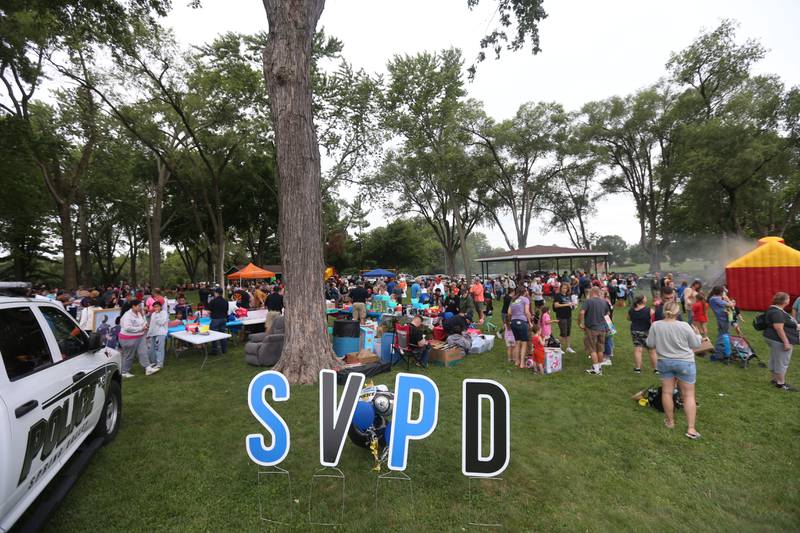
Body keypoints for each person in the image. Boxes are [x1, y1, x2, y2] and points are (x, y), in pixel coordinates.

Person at [645, 301, 702, 439]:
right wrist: (698, 335)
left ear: (664, 311)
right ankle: (691, 428)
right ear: (677, 312)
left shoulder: (656, 325)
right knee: (688, 395)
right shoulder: (684, 326)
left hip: (665, 362)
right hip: (685, 362)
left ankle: (670, 422)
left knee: (667, 392)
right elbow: (696, 344)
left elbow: (649, 344)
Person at [763, 292, 797, 391]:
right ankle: (781, 384)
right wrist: (786, 342)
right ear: (784, 301)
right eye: (788, 298)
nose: (789, 300)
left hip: (771, 337)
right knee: (782, 361)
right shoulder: (777, 312)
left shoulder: (774, 309)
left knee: (775, 358)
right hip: (778, 339)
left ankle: (774, 379)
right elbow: (778, 328)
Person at [118, 300, 154, 378]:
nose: (140, 307)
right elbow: (127, 328)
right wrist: (141, 328)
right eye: (138, 306)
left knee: (143, 352)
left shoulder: (139, 313)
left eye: (140, 306)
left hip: (140, 336)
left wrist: (145, 325)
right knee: (129, 355)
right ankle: (124, 372)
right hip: (128, 338)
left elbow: (143, 321)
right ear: (133, 306)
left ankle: (148, 368)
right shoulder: (127, 315)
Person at [579, 286, 608, 375]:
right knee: (600, 349)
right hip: (602, 328)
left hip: (592, 328)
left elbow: (582, 312)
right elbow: (607, 314)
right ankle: (599, 368)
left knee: (592, 348)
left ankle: (596, 369)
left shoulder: (588, 301)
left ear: (591, 292)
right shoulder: (604, 302)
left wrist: (581, 323)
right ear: (598, 292)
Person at [628, 294, 657, 374]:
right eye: (645, 297)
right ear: (643, 300)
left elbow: (628, 318)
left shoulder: (632, 310)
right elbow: (654, 320)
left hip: (635, 331)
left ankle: (637, 369)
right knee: (652, 350)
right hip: (646, 331)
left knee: (638, 349)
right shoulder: (649, 310)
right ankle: (656, 369)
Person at [507, 287, 532, 369]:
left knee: (517, 342)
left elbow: (509, 312)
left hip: (513, 322)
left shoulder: (513, 300)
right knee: (524, 343)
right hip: (522, 322)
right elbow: (527, 312)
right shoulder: (525, 299)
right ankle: (522, 363)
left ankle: (517, 361)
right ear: (524, 292)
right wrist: (530, 322)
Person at [146, 301, 168, 372]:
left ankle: (160, 363)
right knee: (151, 348)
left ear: (160, 306)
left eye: (157, 306)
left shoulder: (164, 313)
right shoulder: (153, 314)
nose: (156, 308)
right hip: (153, 333)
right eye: (155, 307)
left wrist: (158, 314)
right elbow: (152, 325)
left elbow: (161, 322)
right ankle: (154, 362)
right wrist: (148, 334)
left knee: (159, 348)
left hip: (161, 332)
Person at [553, 283, 575, 353]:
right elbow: (556, 305)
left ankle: (568, 347)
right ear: (561, 288)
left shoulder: (568, 296)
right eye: (563, 288)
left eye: (566, 288)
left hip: (568, 315)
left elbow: (570, 305)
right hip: (561, 316)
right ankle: (558, 347)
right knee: (563, 333)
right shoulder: (558, 296)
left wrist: (573, 306)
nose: (565, 290)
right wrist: (567, 304)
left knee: (568, 332)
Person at [207, 287, 229, 355]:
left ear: (216, 293)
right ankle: (224, 349)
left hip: (215, 319)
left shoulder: (213, 301)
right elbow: (226, 310)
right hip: (224, 319)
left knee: (214, 335)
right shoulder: (225, 301)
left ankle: (214, 350)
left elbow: (209, 311)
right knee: (223, 334)